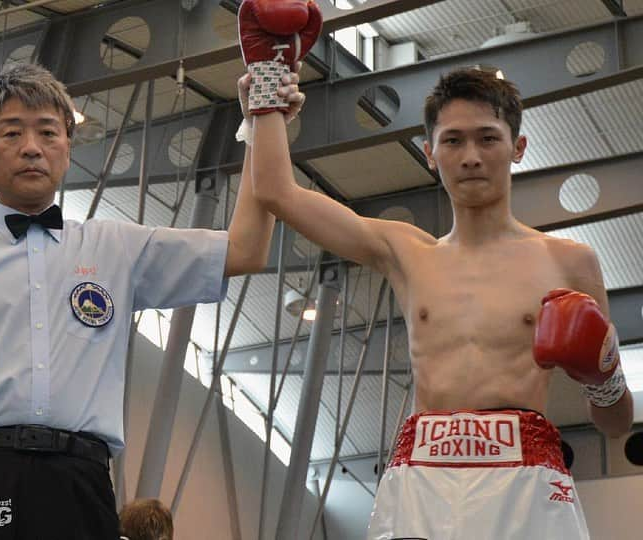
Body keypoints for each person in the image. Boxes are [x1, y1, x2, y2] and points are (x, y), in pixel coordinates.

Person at [239, 8, 634, 536]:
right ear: (429, 154)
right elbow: (276, 193)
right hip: (422, 479)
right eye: (453, 141)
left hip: (525, 481)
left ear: (517, 148)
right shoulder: (406, 252)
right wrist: (266, 78)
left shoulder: (569, 262)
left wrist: (604, 377)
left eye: (487, 138)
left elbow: (616, 425)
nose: (470, 156)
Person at [0, 59, 303, 539]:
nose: (32, 149)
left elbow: (247, 249)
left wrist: (262, 121)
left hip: (79, 484)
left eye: (48, 133)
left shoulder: (117, 248)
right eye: (12, 133)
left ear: (67, 148)